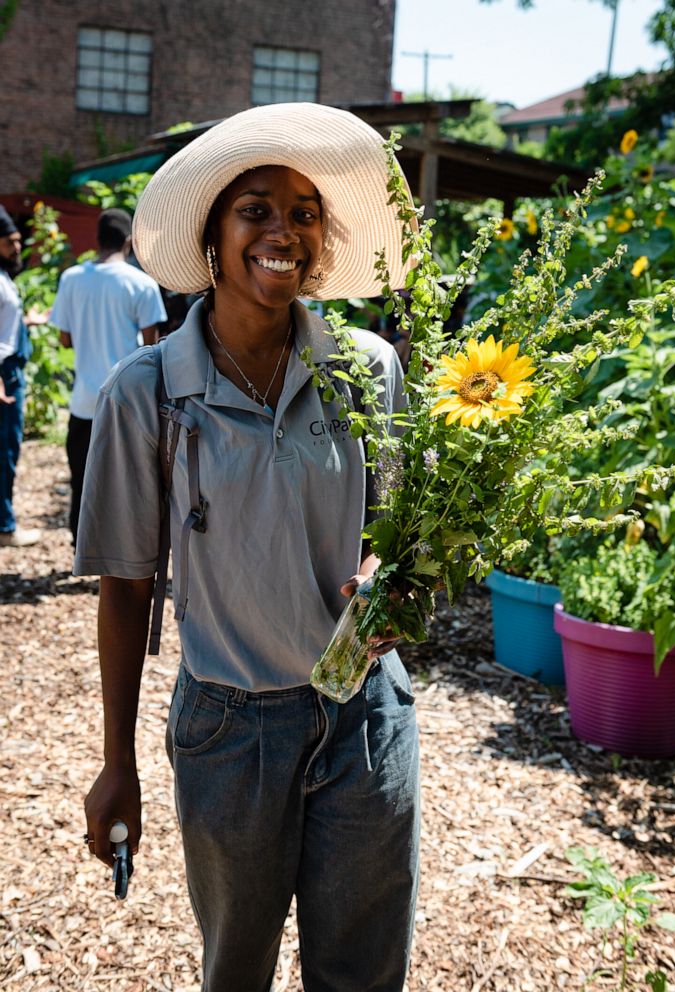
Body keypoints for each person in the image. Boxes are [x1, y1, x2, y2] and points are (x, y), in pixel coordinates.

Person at [78, 103, 420, 992]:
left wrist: (386, 581)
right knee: (237, 969)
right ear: (213, 235)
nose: (283, 232)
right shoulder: (146, 394)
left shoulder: (367, 368)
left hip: (362, 717)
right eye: (256, 209)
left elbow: (394, 529)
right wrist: (117, 762)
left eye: (304, 214)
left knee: (362, 972)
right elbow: (124, 585)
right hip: (229, 730)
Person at [50, 208, 166, 545]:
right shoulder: (142, 284)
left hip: (84, 400)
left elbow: (65, 339)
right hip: (126, 404)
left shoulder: (71, 279)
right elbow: (151, 348)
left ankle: (81, 547)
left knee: (81, 479)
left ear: (97, 240)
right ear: (129, 242)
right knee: (126, 484)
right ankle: (121, 555)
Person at [0, 205, 40, 547]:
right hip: (4, 374)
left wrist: (29, 322)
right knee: (4, 450)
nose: (17, 247)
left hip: (9, 370)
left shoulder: (5, 276)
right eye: (10, 241)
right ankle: (4, 526)